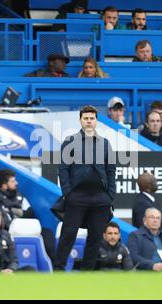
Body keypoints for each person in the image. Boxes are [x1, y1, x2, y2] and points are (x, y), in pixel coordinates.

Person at [55, 105, 115, 271]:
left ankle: (87, 274)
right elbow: (63, 168)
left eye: (92, 118)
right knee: (68, 234)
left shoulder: (105, 143)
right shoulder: (70, 141)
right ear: (80, 120)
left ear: (96, 121)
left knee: (96, 238)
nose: (89, 121)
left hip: (101, 198)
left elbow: (111, 170)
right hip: (77, 196)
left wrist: (110, 196)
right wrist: (67, 193)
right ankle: (59, 270)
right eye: (86, 118)